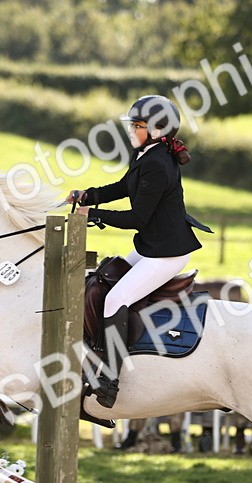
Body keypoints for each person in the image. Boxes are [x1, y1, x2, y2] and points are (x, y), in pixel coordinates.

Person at [67, 94, 207, 408]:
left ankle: (110, 379)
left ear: (157, 130)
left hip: (166, 254)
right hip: (152, 247)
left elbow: (137, 218)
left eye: (137, 125)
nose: (131, 130)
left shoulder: (157, 163)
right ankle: (98, 351)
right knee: (105, 276)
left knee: (117, 298)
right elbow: (122, 187)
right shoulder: (147, 154)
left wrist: (93, 215)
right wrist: (88, 195)